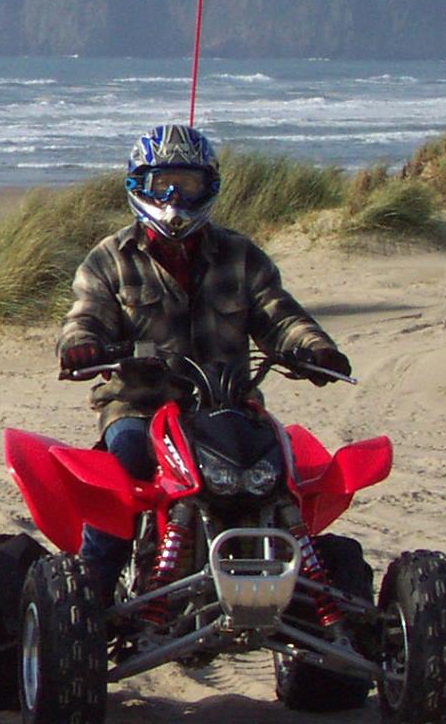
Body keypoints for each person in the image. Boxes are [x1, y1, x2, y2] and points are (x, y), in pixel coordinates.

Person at [58, 124, 350, 590]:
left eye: (188, 183)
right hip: (141, 406)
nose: (175, 195)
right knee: (125, 472)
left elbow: (278, 314)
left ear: (208, 186)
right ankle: (90, 598)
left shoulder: (240, 255)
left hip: (228, 406)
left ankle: (313, 597)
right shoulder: (110, 258)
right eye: (163, 183)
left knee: (283, 477)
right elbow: (85, 314)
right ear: (139, 185)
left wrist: (314, 348)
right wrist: (82, 345)